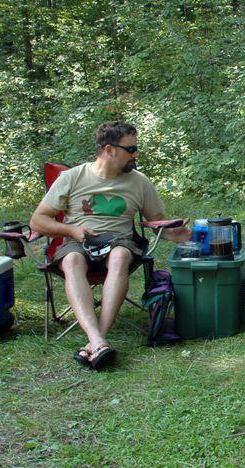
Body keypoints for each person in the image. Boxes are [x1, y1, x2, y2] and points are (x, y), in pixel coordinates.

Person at [30, 121, 191, 369]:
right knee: (72, 260)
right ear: (109, 150)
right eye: (131, 149)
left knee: (119, 257)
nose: (136, 154)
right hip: (77, 240)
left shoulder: (140, 182)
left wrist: (179, 233)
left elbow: (157, 222)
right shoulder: (73, 177)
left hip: (120, 241)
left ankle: (97, 339)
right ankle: (97, 341)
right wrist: (72, 230)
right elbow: (38, 220)